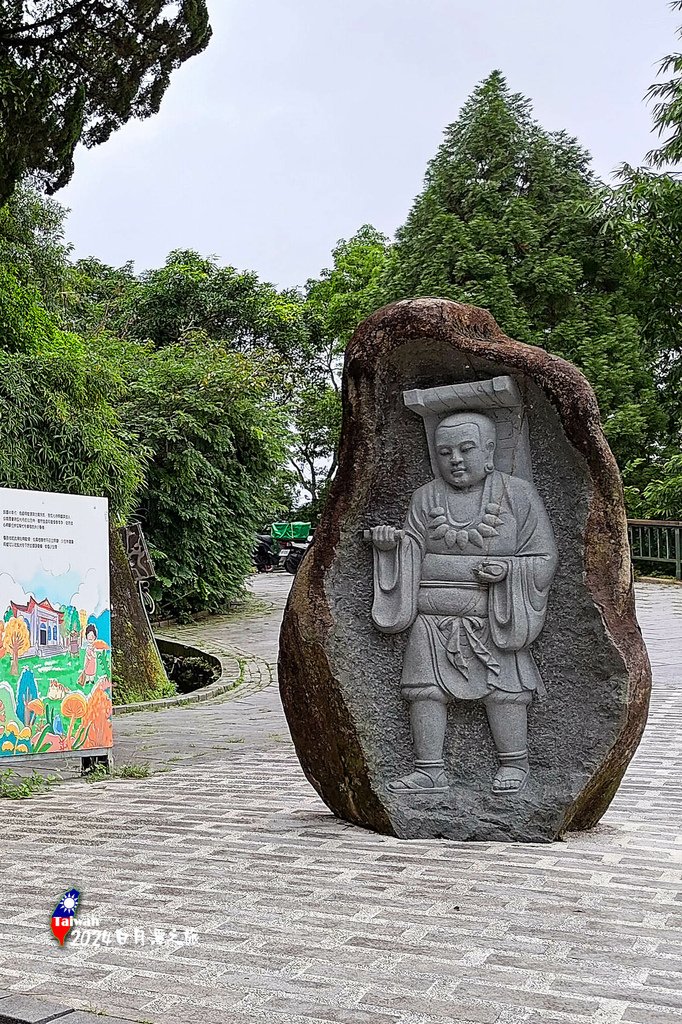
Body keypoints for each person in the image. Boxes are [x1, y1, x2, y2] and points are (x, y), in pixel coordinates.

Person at [369, 411, 558, 796]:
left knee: (505, 689)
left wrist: (507, 570)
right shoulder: (426, 497)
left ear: (489, 451)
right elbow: (414, 548)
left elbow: (543, 557)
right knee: (424, 689)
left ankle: (514, 762)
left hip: (492, 613)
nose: (455, 459)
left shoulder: (517, 494)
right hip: (431, 614)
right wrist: (392, 546)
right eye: (445, 452)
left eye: (466, 449)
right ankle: (429, 770)